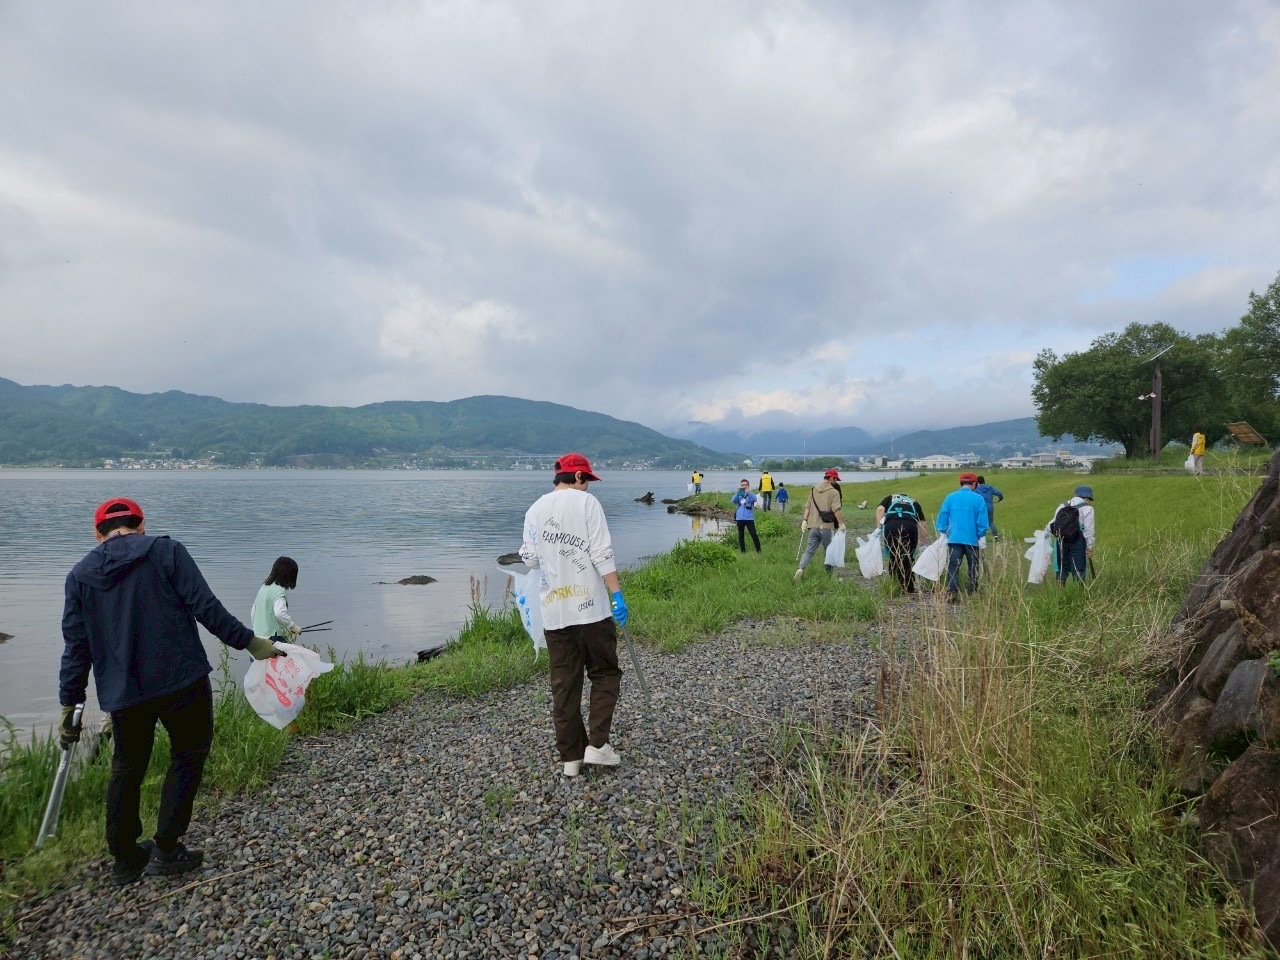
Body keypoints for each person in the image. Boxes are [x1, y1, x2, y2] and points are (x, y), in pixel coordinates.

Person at [58, 497, 286, 886]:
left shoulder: (80, 576)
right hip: (181, 678)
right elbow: (206, 608)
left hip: (123, 691)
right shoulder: (166, 552)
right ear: (141, 525)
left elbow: (76, 645)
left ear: (97, 534)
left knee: (127, 768)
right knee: (188, 754)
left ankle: (125, 860)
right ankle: (166, 849)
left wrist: (70, 701)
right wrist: (250, 643)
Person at [520, 453, 629, 777]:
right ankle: (597, 745)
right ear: (578, 476)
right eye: (588, 481)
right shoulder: (587, 505)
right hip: (592, 611)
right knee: (605, 673)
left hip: (556, 614)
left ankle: (571, 759)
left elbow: (529, 559)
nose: (588, 487)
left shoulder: (534, 510)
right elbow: (602, 553)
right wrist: (617, 595)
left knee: (564, 685)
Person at [935, 473, 989, 602]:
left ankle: (951, 592)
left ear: (961, 483)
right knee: (973, 566)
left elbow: (943, 515)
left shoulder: (950, 497)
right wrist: (982, 535)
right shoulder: (978, 499)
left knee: (953, 566)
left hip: (954, 539)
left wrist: (943, 531)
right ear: (974, 483)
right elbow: (982, 519)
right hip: (972, 540)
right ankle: (972, 592)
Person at [794, 468, 843, 581]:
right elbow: (836, 510)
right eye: (835, 479)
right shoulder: (834, 492)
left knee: (809, 550)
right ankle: (829, 575)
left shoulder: (813, 490)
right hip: (827, 527)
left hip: (813, 527)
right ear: (831, 478)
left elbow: (808, 507)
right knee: (829, 551)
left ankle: (801, 569)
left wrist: (804, 521)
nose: (836, 482)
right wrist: (841, 524)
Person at [875, 493, 929, 594]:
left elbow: (880, 510)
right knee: (908, 556)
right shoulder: (914, 501)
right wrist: (922, 545)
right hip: (910, 526)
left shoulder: (889, 498)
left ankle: (895, 584)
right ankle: (908, 587)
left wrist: (878, 528)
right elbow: (922, 524)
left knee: (894, 555)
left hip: (892, 525)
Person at [1049, 485, 1096, 584]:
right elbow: (1088, 530)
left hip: (1061, 540)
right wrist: (1089, 546)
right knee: (1079, 568)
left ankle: (1059, 594)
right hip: (1077, 541)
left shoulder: (1062, 505)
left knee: (1062, 567)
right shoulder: (1088, 508)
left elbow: (1052, 524)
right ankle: (1079, 593)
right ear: (1088, 498)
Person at [251, 556, 303, 641]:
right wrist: (292, 626)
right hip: (271, 638)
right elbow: (279, 614)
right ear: (289, 575)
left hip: (257, 636)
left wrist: (257, 629)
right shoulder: (279, 591)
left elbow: (253, 612)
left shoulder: (264, 587)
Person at [732, 479, 762, 553]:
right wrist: (737, 493)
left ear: (748, 485)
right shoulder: (739, 495)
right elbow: (733, 501)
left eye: (745, 485)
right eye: (742, 485)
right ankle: (743, 550)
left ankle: (758, 550)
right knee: (741, 535)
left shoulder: (751, 494)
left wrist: (748, 493)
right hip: (739, 518)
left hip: (749, 518)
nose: (744, 486)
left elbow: (755, 499)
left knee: (753, 534)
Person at [974, 476, 1005, 541]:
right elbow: (999, 493)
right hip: (990, 506)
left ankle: (979, 536)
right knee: (990, 522)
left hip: (981, 507)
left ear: (977, 482)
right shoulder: (990, 488)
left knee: (978, 521)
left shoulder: (976, 489)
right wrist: (1000, 499)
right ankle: (995, 535)